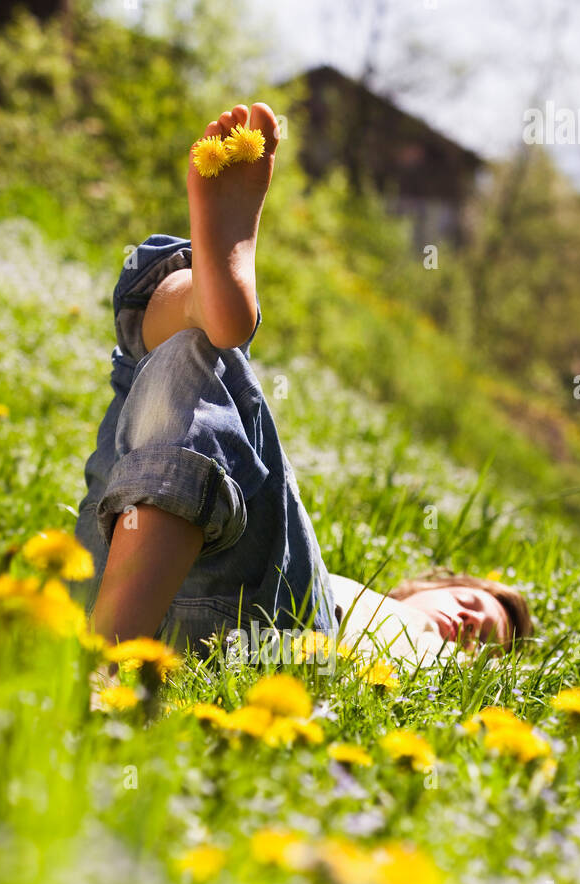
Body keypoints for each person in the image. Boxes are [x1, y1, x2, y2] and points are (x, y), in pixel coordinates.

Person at [75, 102, 532, 668]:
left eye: (485, 642)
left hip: (249, 633)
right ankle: (202, 308)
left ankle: (198, 301)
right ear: (423, 585)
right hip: (128, 559)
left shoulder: (431, 657)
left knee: (204, 356)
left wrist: (447, 654)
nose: (469, 624)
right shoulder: (354, 592)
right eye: (471, 603)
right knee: (186, 362)